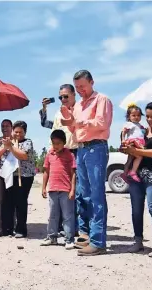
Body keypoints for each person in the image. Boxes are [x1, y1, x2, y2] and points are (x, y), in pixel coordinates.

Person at [60, 70, 113, 256]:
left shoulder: (102, 100)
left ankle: (98, 242)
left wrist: (78, 120)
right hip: (81, 148)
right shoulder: (79, 104)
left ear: (92, 82)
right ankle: (87, 236)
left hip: (96, 147)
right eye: (77, 87)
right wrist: (68, 119)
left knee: (97, 195)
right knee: (84, 194)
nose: (80, 90)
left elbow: (101, 123)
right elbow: (74, 126)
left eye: (83, 86)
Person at [122, 94, 152, 258]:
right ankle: (138, 241)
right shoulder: (141, 130)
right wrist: (127, 152)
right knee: (136, 210)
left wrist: (136, 151)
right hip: (137, 175)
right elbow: (132, 150)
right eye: (147, 116)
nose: (149, 119)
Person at [39, 84, 78, 236]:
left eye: (66, 96)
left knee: (73, 191)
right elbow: (46, 125)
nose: (63, 99)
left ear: (74, 95)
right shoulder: (57, 114)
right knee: (58, 194)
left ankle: (74, 229)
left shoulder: (79, 111)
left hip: (74, 151)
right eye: (60, 97)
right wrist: (44, 109)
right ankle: (62, 229)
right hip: (57, 154)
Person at [0, 121, 36, 239]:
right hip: (10, 176)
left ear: (25, 132)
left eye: (21, 132)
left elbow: (23, 155)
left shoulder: (27, 142)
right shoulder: (9, 142)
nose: (18, 134)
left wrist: (11, 147)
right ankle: (6, 229)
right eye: (16, 131)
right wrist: (7, 146)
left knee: (20, 203)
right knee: (7, 203)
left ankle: (21, 229)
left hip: (24, 176)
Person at [41, 130, 76, 249]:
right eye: (53, 143)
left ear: (64, 143)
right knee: (53, 215)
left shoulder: (70, 155)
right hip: (52, 190)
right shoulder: (49, 155)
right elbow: (46, 171)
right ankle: (52, 237)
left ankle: (69, 239)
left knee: (68, 216)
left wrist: (72, 190)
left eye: (58, 143)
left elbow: (73, 173)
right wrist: (43, 187)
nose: (56, 146)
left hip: (66, 190)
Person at [0, 119, 13, 230]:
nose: (4, 128)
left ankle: (11, 222)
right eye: (2, 126)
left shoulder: (16, 140)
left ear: (12, 127)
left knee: (11, 198)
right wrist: (4, 146)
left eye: (7, 126)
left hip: (11, 173)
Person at [120, 104, 146, 182]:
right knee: (139, 156)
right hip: (133, 141)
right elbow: (123, 132)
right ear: (129, 116)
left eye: (138, 115)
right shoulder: (129, 124)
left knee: (130, 159)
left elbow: (143, 132)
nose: (136, 117)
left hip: (137, 141)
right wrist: (123, 140)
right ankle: (133, 172)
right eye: (133, 115)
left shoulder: (140, 125)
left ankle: (124, 174)